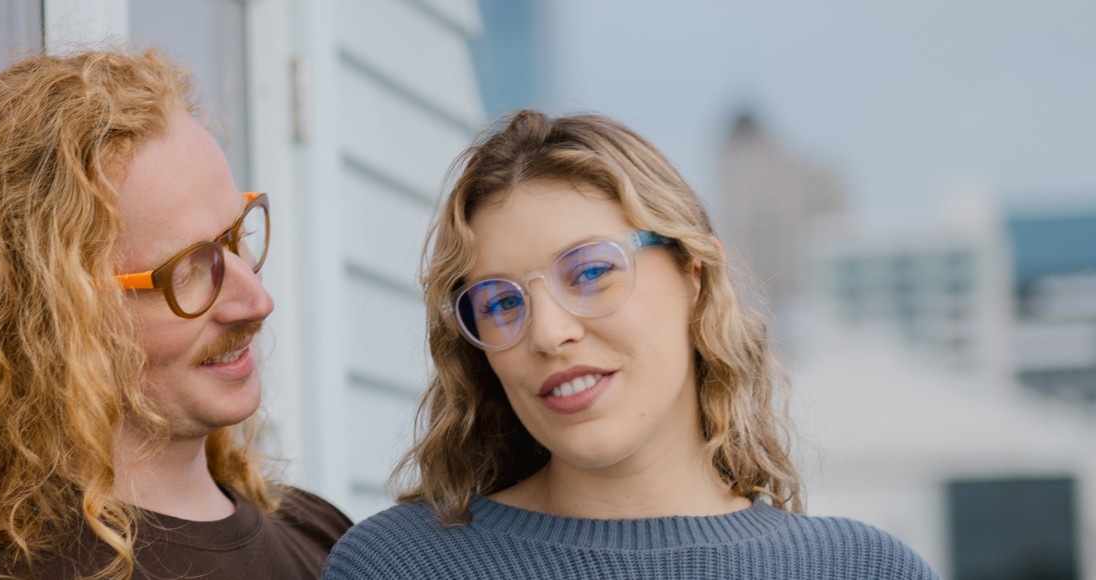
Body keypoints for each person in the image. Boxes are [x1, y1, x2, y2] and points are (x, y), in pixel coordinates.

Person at [323, 111, 938, 579]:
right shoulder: (395, 565)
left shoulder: (863, 569)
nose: (549, 333)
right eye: (501, 303)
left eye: (591, 272)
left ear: (694, 275)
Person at [0, 49, 351, 580]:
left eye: (237, 235)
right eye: (188, 271)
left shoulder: (330, 542)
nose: (257, 301)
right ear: (52, 316)